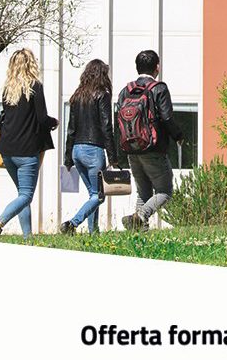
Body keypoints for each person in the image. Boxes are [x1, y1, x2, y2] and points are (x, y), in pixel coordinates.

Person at [0, 48, 57, 239]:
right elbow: (42, 118)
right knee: (26, 195)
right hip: (27, 150)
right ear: (31, 64)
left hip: (7, 150)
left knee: (22, 195)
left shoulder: (8, 89)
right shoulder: (35, 86)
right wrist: (54, 122)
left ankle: (28, 238)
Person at [116, 49, 183, 231]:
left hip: (131, 149)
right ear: (157, 67)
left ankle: (139, 235)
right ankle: (141, 215)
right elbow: (167, 117)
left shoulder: (125, 91)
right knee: (165, 191)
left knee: (143, 193)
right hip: (153, 148)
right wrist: (178, 136)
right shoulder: (159, 88)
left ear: (137, 67)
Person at [60, 59, 117, 234]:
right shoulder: (102, 95)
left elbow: (71, 129)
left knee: (93, 194)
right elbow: (106, 127)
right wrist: (113, 156)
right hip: (93, 150)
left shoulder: (77, 96)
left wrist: (68, 158)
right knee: (98, 196)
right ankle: (72, 223)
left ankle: (94, 232)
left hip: (77, 150)